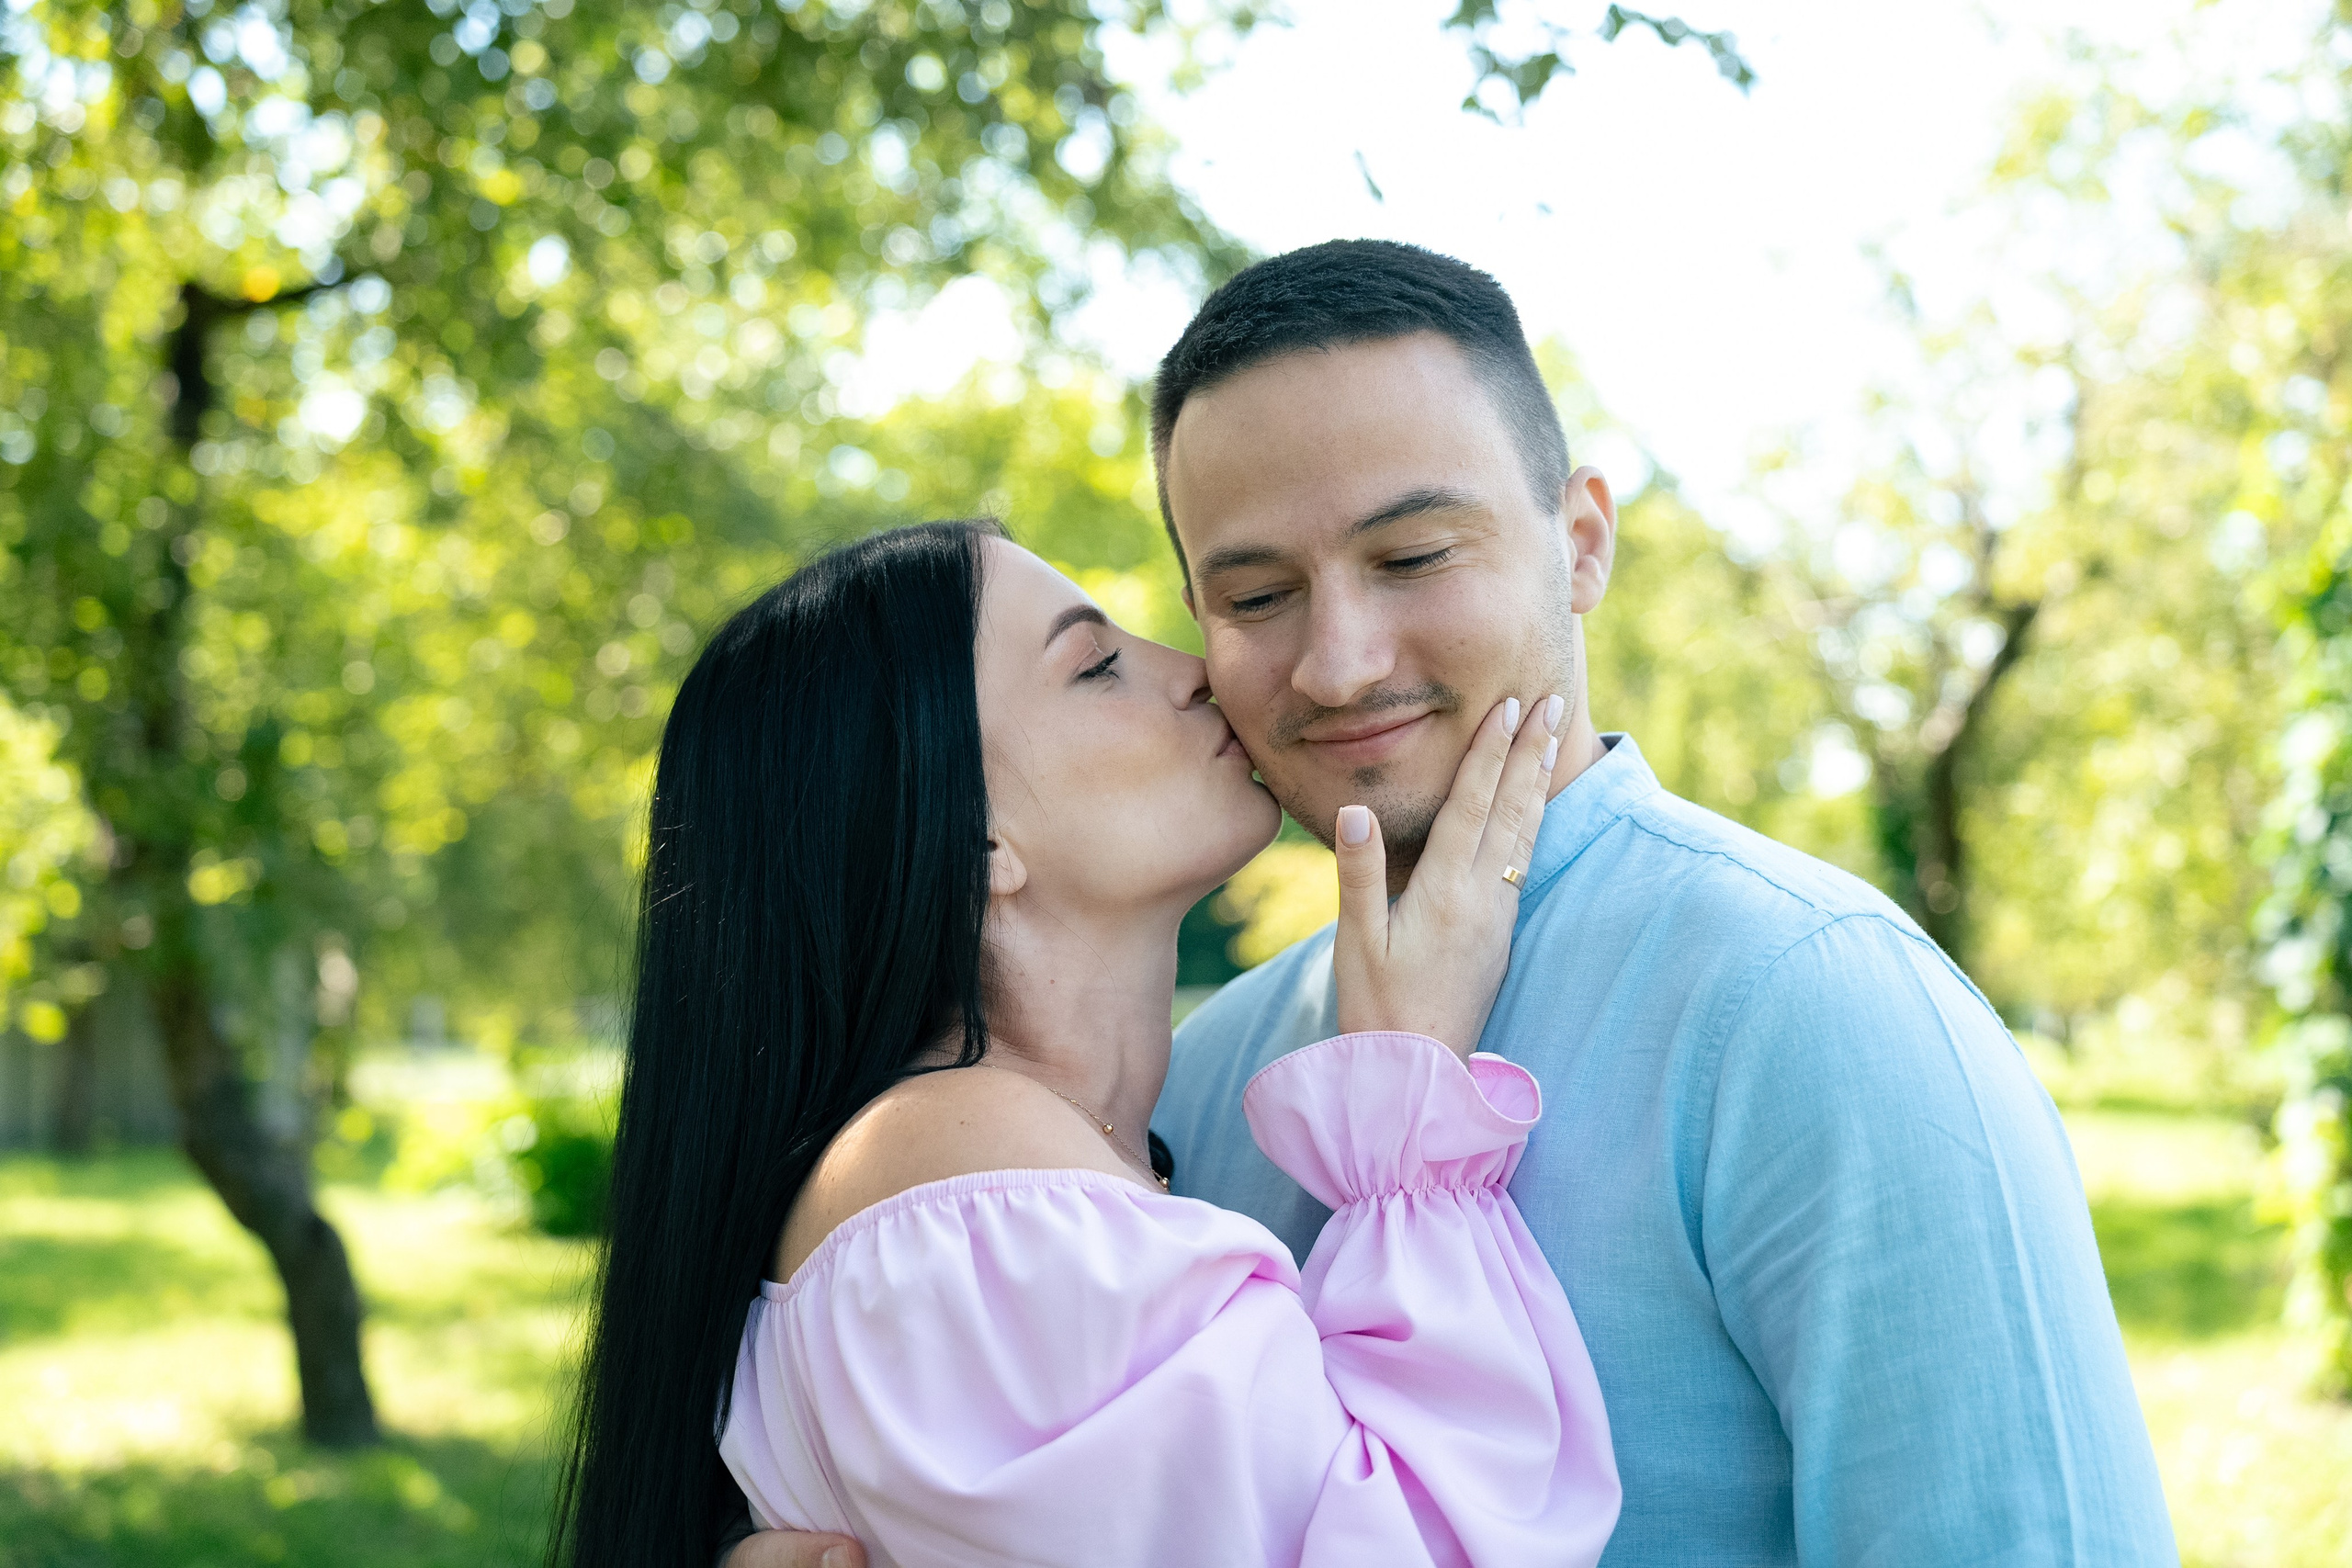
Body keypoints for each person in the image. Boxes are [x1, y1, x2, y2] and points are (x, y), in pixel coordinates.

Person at [731, 242, 2177, 1567]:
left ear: (1583, 541)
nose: (1341, 661)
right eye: (1254, 596)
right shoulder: (1191, 1083)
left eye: (1414, 556)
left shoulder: (1808, 1002)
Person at [550, 519, 1622, 1568]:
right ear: (975, 839)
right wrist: (1409, 1102)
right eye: (1097, 665)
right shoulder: (965, 1180)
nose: (1199, 671)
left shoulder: (1031, 1166)